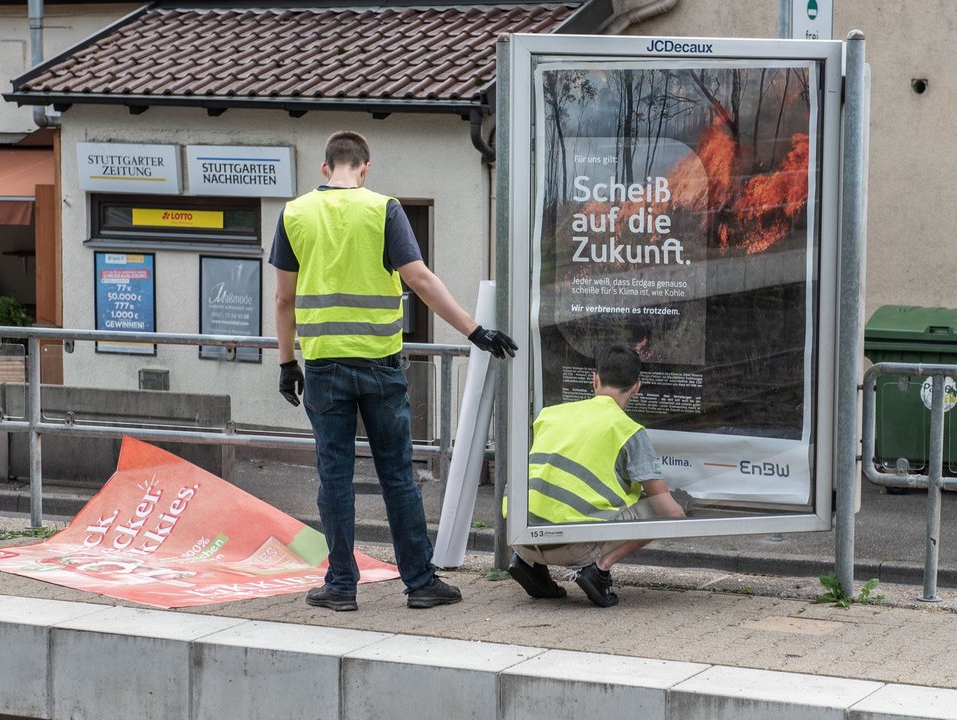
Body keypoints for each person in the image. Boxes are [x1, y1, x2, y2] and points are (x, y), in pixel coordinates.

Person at [270, 131, 516, 612]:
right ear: (364, 168)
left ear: (325, 168)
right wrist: (475, 331)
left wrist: (286, 363)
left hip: (323, 368)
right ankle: (420, 583)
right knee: (398, 478)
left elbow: (283, 299)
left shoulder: (294, 213)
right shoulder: (384, 209)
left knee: (334, 478)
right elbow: (420, 279)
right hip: (381, 367)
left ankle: (341, 586)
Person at [508, 344, 684, 607]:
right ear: (637, 386)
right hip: (573, 548)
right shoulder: (628, 430)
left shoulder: (550, 414)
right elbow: (669, 511)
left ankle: (530, 566)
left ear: (595, 380)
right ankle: (599, 570)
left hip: (522, 536)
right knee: (662, 510)